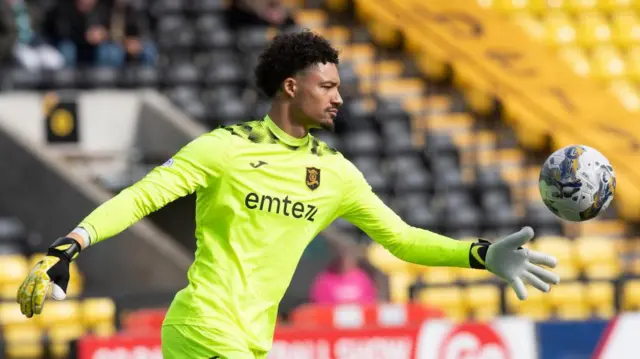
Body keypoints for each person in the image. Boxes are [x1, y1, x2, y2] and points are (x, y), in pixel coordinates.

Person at [16, 30, 560, 359]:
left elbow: (401, 239)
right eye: (328, 86)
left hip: (251, 340)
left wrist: (481, 254)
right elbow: (140, 197)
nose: (339, 98)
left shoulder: (337, 174)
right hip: (204, 325)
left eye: (340, 87)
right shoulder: (223, 148)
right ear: (291, 87)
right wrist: (74, 242)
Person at [310, 241, 377, 305]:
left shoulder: (363, 279)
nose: (345, 261)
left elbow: (370, 305)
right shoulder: (325, 280)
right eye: (341, 255)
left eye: (348, 256)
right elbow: (318, 307)